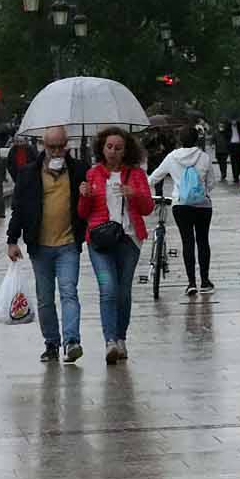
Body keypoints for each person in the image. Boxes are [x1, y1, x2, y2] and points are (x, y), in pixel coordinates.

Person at [7, 125, 89, 364]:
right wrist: (12, 241)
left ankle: (72, 340)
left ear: (67, 146)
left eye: (60, 146)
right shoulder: (28, 173)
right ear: (43, 146)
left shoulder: (79, 170)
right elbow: (18, 209)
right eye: (51, 147)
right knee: (45, 298)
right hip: (39, 246)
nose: (56, 151)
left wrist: (87, 193)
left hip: (68, 244)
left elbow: (90, 204)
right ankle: (51, 343)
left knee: (68, 292)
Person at [79, 127, 155, 364]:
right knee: (108, 288)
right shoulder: (93, 174)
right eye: (109, 147)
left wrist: (134, 194)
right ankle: (109, 340)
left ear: (125, 151)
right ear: (102, 148)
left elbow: (148, 208)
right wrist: (84, 196)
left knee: (123, 291)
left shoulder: (136, 175)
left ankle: (121, 337)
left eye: (118, 148)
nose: (113, 152)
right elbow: (83, 213)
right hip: (100, 241)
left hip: (129, 240)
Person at [148, 126, 220, 297]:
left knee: (187, 242)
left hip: (180, 205)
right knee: (203, 241)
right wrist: (202, 192)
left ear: (179, 140)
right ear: (196, 139)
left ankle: (191, 283)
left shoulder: (172, 157)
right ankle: (205, 281)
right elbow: (211, 183)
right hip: (203, 206)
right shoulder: (204, 157)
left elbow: (153, 178)